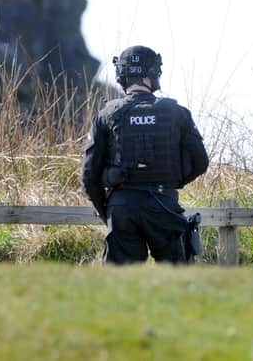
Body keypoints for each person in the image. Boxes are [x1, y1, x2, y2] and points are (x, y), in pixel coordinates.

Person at [82, 45, 209, 265]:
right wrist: (172, 181)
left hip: (121, 208)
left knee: (121, 284)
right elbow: (200, 162)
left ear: (121, 75)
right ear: (153, 73)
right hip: (163, 204)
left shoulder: (106, 115)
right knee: (178, 280)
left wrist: (109, 211)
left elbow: (89, 176)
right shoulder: (177, 113)